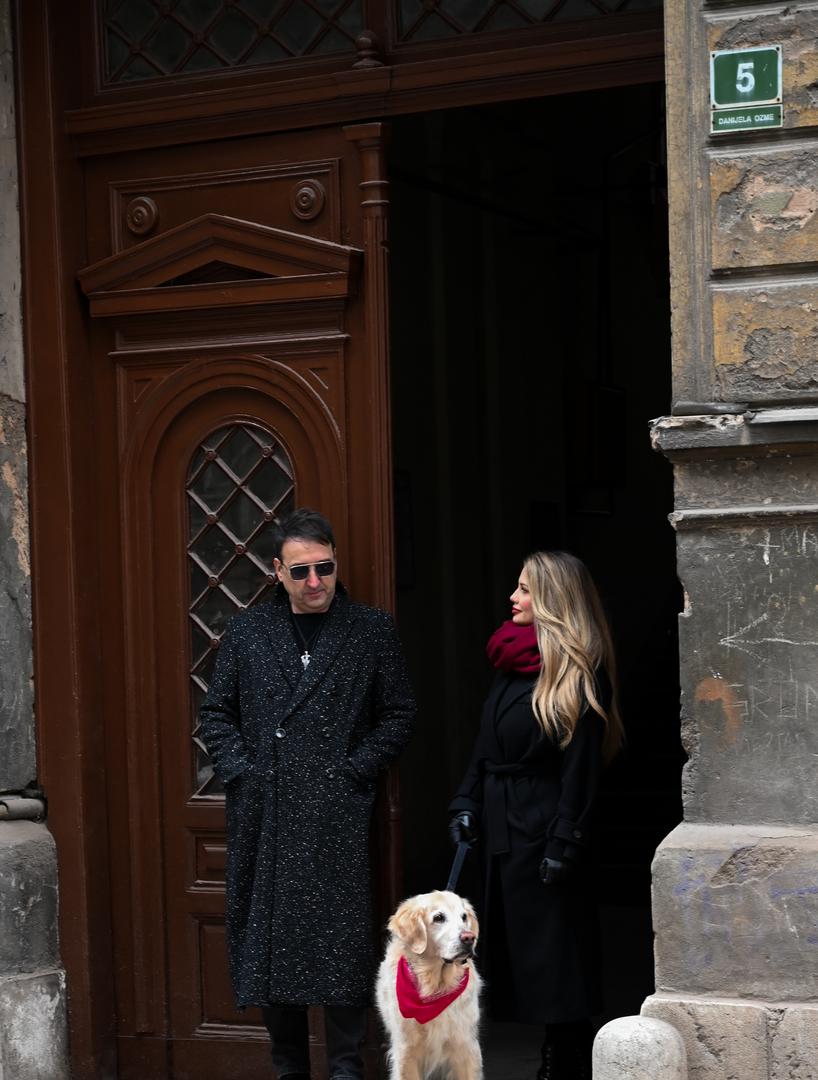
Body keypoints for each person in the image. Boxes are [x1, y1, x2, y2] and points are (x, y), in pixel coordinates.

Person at [199, 507, 416, 1080]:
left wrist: (355, 770)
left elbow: (398, 713)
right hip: (267, 813)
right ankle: (289, 1067)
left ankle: (345, 1067)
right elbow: (216, 713)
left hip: (335, 814)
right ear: (277, 571)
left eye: (325, 568)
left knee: (340, 946)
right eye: (301, 571)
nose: (315, 582)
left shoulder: (369, 630)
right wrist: (243, 772)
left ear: (336, 562)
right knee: (272, 950)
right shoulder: (249, 632)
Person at [448, 551, 623, 1080]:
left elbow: (581, 771)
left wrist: (564, 842)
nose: (513, 597)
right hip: (503, 827)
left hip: (544, 830)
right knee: (515, 952)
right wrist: (465, 802)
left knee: (556, 955)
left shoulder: (579, 672)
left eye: (524, 589)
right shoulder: (510, 661)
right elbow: (485, 747)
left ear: (551, 599)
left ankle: (565, 1058)